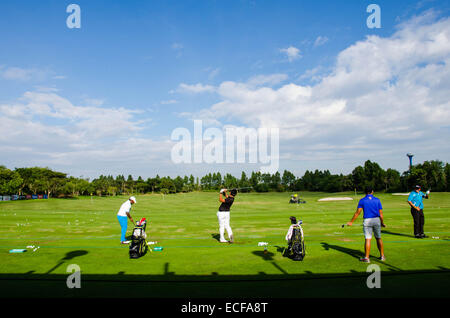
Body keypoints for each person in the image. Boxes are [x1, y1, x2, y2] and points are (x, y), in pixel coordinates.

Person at [347, 187, 386, 263]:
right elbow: (381, 214)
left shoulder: (362, 200)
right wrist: (382, 223)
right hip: (376, 220)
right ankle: (382, 256)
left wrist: (351, 222)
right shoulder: (377, 200)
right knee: (378, 238)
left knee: (368, 239)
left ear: (365, 192)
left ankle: (367, 258)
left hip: (367, 221)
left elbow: (357, 213)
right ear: (372, 191)